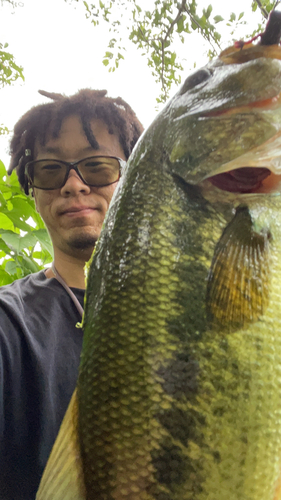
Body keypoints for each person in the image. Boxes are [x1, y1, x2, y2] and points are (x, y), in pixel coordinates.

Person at [0, 89, 144, 500]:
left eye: (97, 167)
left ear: (132, 179)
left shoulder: (198, 308)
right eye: (49, 170)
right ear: (32, 187)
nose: (74, 184)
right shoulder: (9, 322)